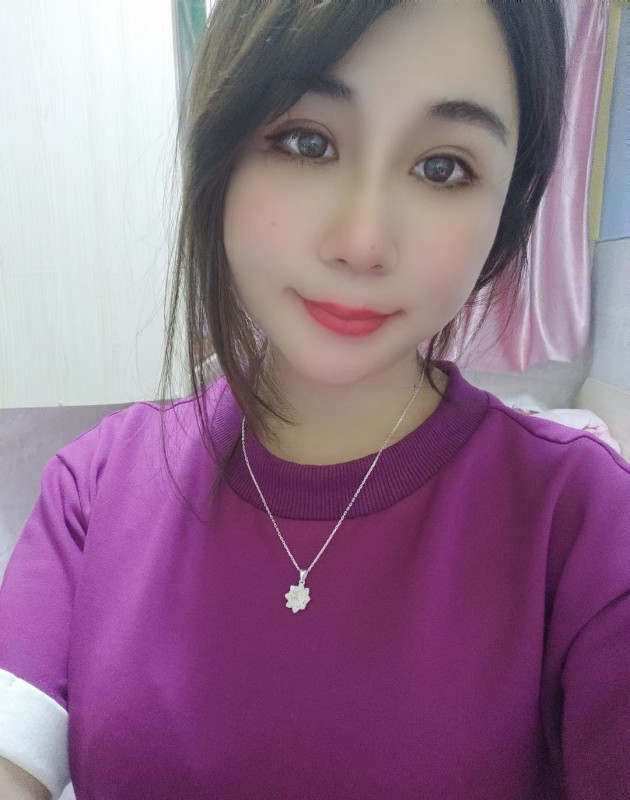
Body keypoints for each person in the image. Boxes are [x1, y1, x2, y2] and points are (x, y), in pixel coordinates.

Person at [1, 1, 628, 798]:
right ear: (221, 149)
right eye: (306, 141)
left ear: (509, 204)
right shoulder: (91, 492)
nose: (362, 242)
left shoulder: (587, 526)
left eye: (443, 168)